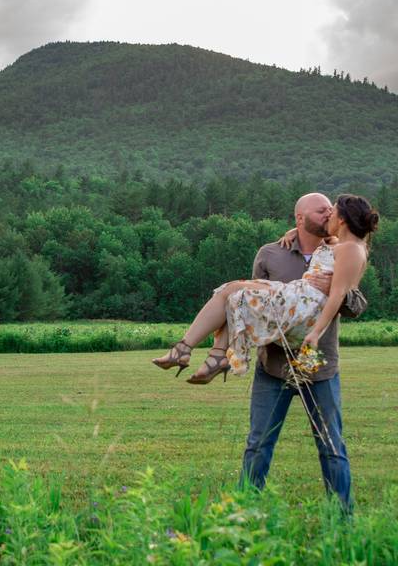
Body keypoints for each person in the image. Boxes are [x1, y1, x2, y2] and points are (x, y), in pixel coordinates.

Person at [152, 193, 376, 509]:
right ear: (300, 218)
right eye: (320, 209)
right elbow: (246, 307)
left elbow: (352, 298)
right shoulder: (272, 253)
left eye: (331, 209)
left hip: (319, 366)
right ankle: (244, 514)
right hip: (273, 366)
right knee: (258, 445)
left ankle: (343, 517)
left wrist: (336, 298)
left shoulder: (340, 247)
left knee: (331, 446)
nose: (328, 212)